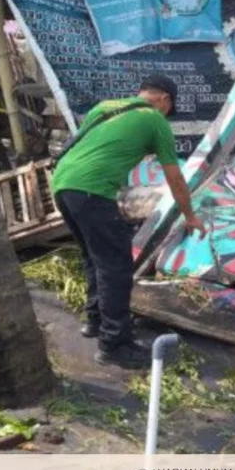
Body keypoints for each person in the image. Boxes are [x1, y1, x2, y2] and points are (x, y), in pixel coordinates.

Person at [50, 75, 207, 369]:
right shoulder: (154, 119)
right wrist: (190, 216)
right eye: (168, 110)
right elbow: (174, 176)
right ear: (164, 100)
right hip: (91, 190)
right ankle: (115, 344)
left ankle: (95, 321)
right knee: (116, 266)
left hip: (63, 184)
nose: (166, 116)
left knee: (94, 258)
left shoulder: (106, 107)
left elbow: (90, 148)